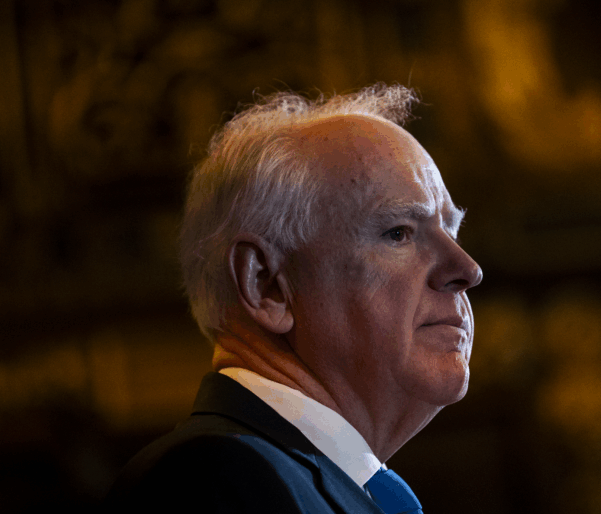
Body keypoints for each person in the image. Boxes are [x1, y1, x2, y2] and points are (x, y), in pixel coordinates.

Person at [104, 84, 482, 513]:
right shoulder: (213, 480)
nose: (467, 269)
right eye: (398, 233)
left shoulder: (296, 479)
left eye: (451, 231)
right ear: (266, 286)